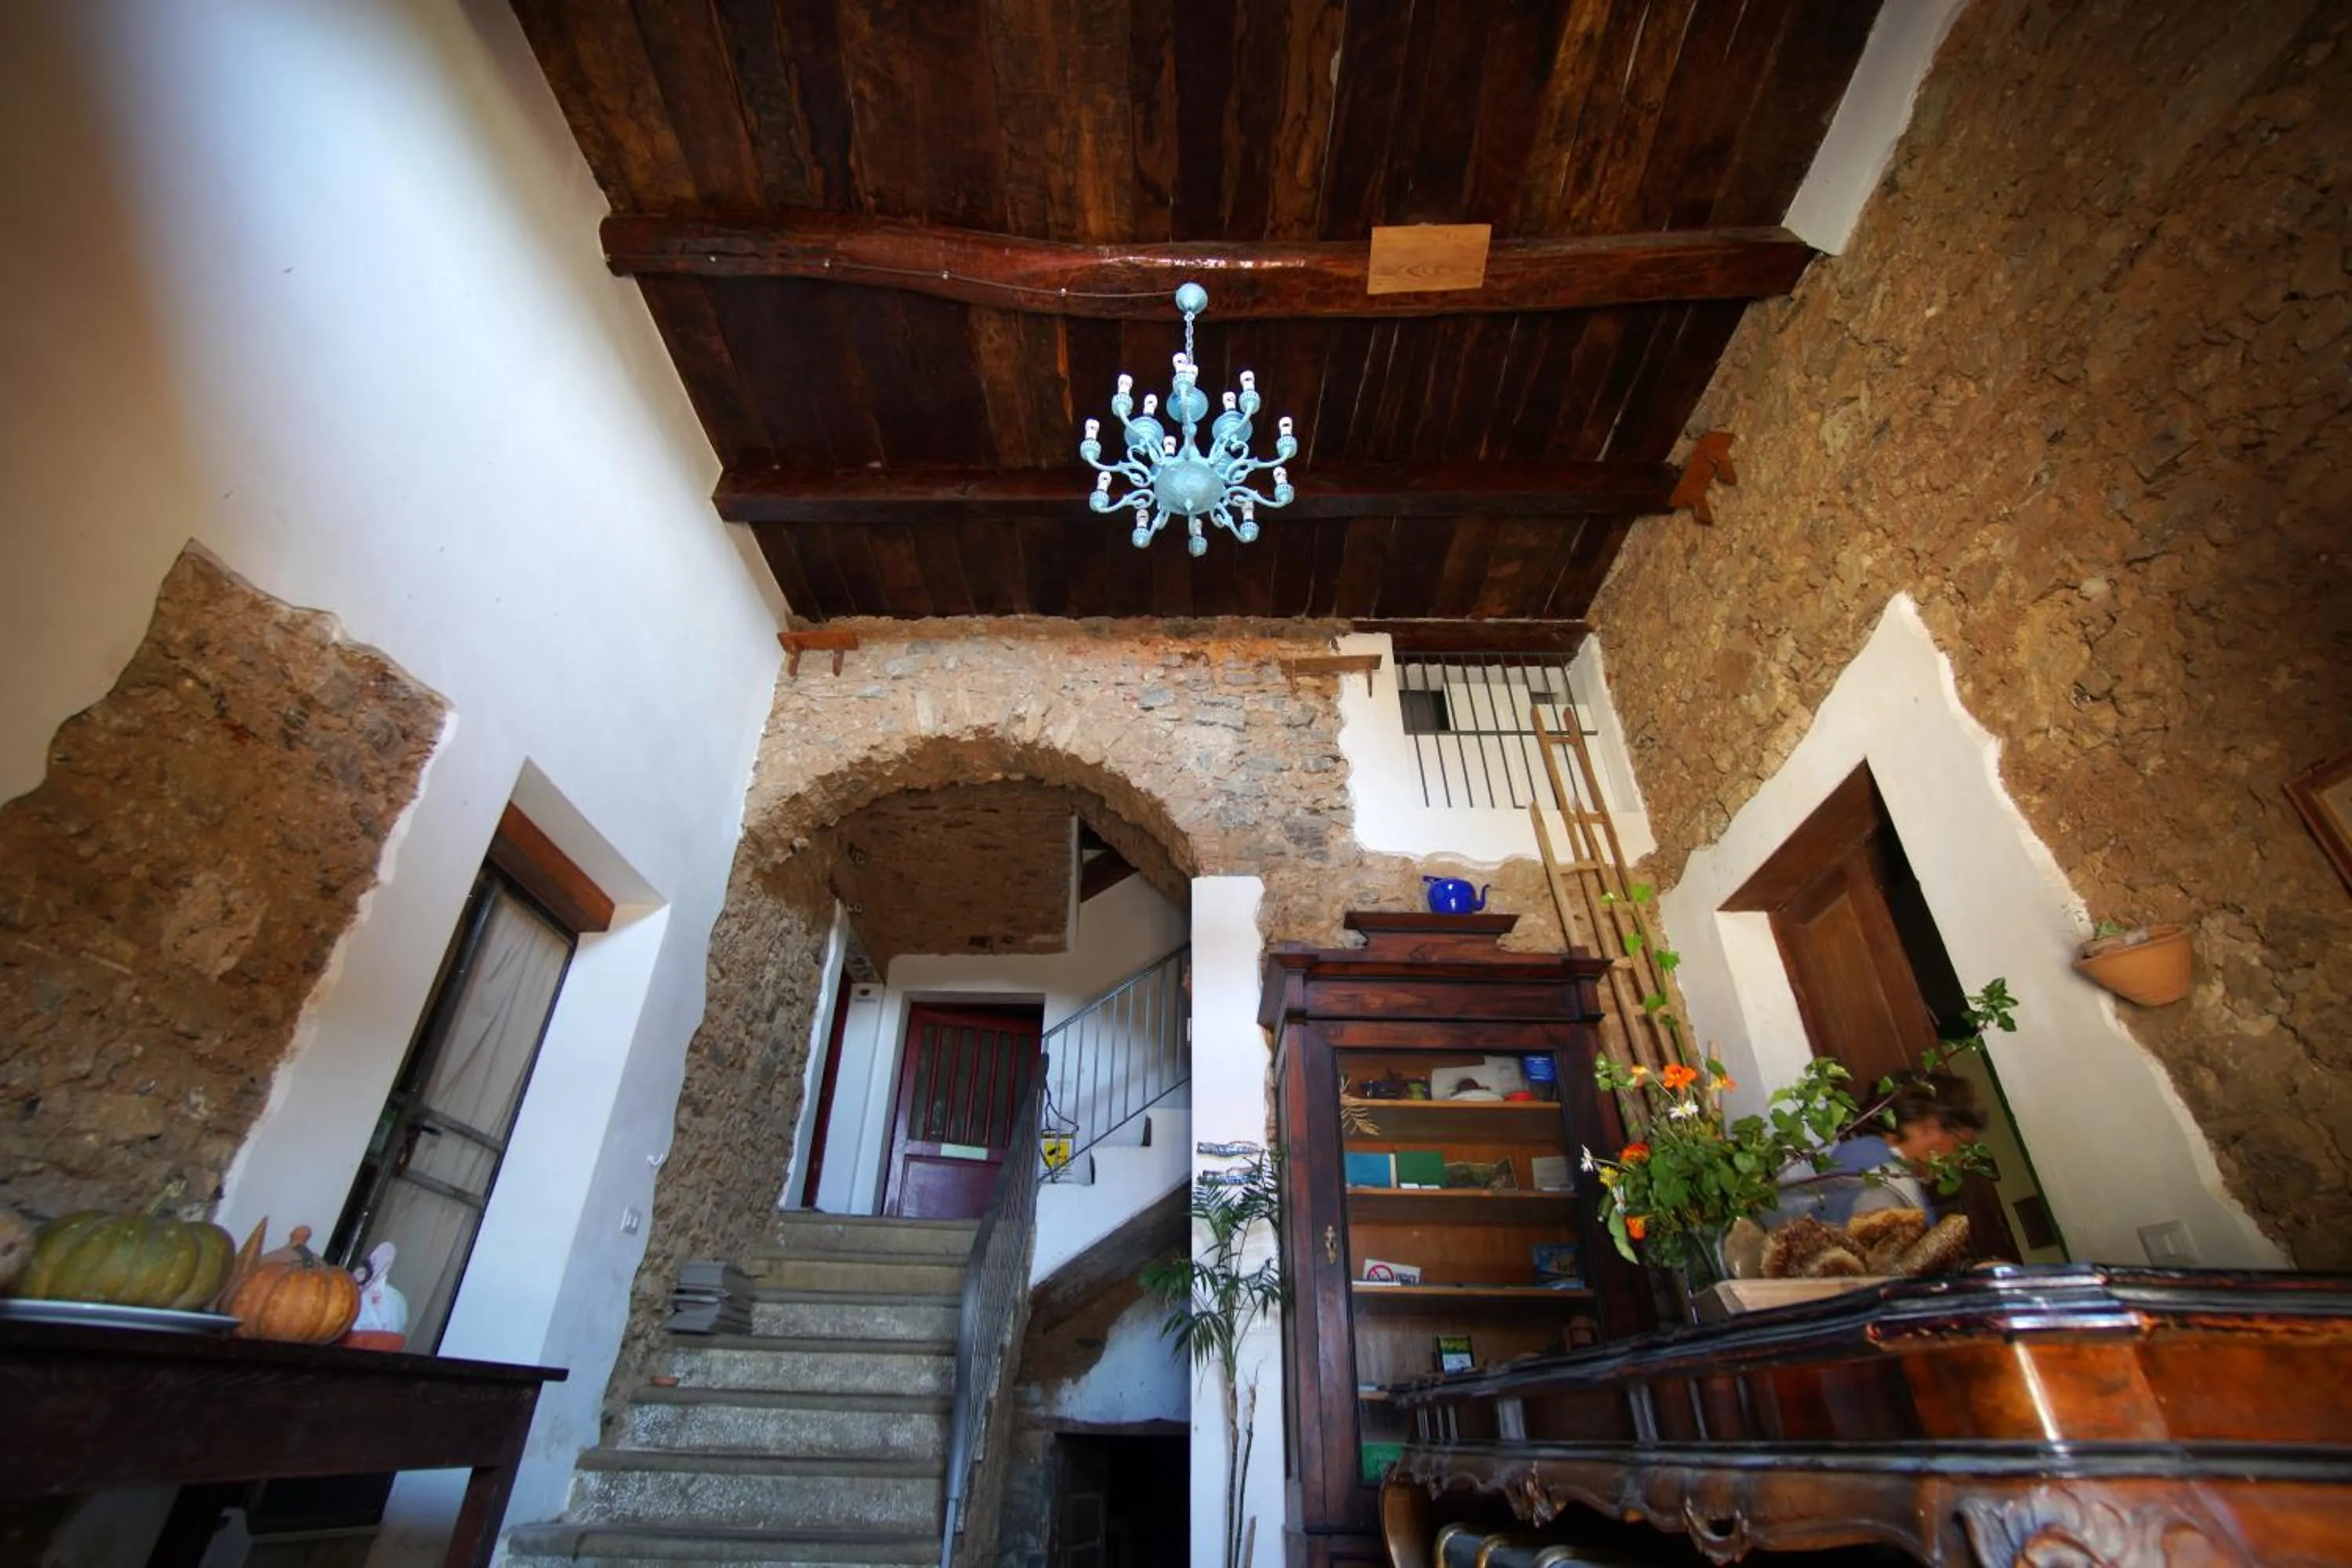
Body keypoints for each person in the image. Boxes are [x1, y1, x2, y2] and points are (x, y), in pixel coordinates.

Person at [1766, 1071, 1987, 1226]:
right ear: (1930, 1127)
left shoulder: (1861, 1151)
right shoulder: (1879, 1168)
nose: (1959, 1163)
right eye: (1960, 1147)